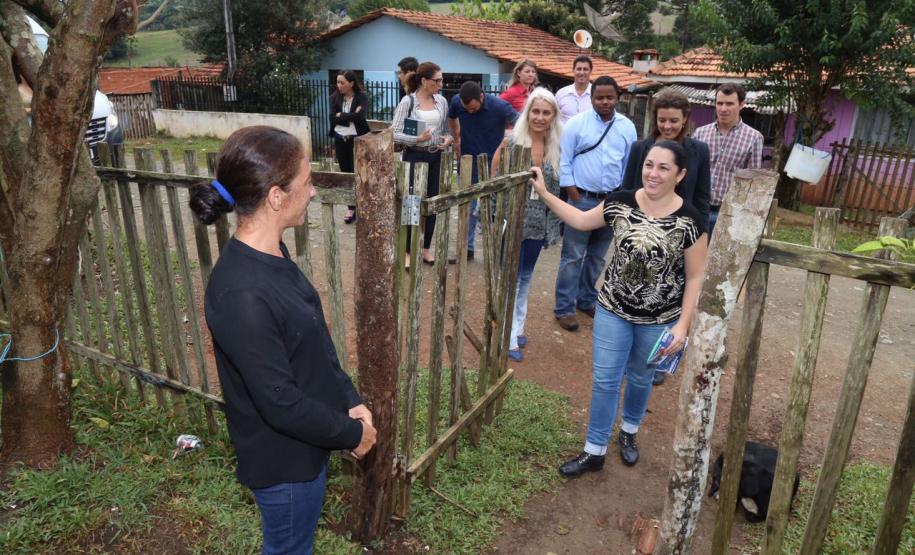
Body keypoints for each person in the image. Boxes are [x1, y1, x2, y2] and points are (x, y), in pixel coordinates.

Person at [190, 126, 377, 554]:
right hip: (284, 464)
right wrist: (352, 434)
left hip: (307, 445)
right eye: (307, 182)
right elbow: (280, 402)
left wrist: (348, 396)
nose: (311, 192)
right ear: (276, 196)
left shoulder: (273, 254)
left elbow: (313, 337)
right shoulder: (241, 293)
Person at [529, 140, 708, 475]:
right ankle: (594, 449)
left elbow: (696, 277)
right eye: (649, 165)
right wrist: (543, 192)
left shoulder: (691, 221)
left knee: (640, 378)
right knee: (605, 380)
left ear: (680, 174)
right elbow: (581, 221)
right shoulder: (621, 202)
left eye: (663, 168)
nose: (653, 174)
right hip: (612, 310)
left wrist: (683, 326)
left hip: (659, 319)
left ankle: (629, 432)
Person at [619, 87, 711, 385]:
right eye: (662, 120)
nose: (668, 127)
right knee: (637, 293)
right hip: (643, 238)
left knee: (673, 296)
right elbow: (627, 192)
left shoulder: (698, 151)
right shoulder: (640, 149)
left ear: (685, 119)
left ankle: (659, 360)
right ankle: (630, 357)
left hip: (682, 239)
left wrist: (697, 236)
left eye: (674, 121)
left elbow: (702, 198)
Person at [554, 75, 637, 333]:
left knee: (597, 257)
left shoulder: (627, 127)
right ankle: (564, 308)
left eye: (609, 97)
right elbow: (564, 161)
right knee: (572, 256)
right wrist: (573, 195)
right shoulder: (576, 125)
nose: (604, 102)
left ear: (617, 98)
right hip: (581, 199)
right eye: (599, 97)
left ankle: (586, 299)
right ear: (591, 98)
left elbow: (629, 166)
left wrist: (622, 198)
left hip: (611, 202)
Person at [489, 88, 563, 362]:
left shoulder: (555, 145)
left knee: (525, 279)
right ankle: (505, 335)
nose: (540, 117)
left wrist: (550, 228)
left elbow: (554, 191)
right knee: (508, 280)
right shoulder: (512, 142)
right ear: (527, 112)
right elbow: (496, 180)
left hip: (537, 226)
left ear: (553, 116)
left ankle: (517, 327)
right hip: (512, 222)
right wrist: (496, 219)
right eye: (536, 111)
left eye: (546, 112)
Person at [392, 61, 454, 266]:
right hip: (414, 157)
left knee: (432, 201)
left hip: (435, 156)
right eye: (437, 80)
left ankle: (426, 247)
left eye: (441, 80)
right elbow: (394, 133)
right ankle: (409, 249)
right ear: (424, 81)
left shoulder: (442, 102)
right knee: (412, 202)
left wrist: (447, 139)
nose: (441, 84)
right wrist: (416, 139)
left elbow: (446, 129)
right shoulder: (408, 102)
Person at [448, 81, 518, 260]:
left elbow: (521, 123)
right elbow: (452, 116)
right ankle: (466, 249)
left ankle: (495, 250)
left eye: (472, 108)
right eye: (467, 109)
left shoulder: (500, 107)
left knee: (494, 209)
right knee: (467, 208)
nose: (469, 112)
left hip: (493, 165)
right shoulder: (457, 101)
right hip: (468, 162)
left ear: (481, 97)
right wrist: (456, 137)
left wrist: (508, 142)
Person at [692, 82, 763, 236]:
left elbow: (753, 182)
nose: (723, 109)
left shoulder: (754, 138)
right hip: (697, 210)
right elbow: (691, 172)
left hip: (729, 214)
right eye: (720, 103)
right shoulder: (700, 133)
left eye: (730, 104)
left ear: (742, 104)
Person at [329, 70, 370, 224]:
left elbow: (360, 116)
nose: (339, 86)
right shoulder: (334, 98)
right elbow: (332, 118)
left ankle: (364, 206)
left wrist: (342, 116)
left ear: (351, 83)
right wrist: (348, 116)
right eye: (338, 82)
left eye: (342, 82)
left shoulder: (361, 97)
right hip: (340, 139)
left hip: (357, 140)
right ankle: (351, 207)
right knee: (345, 172)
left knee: (359, 172)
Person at [556, 55, 593, 124]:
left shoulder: (596, 94)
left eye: (585, 69)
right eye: (579, 69)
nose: (582, 73)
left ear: (590, 71)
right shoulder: (561, 93)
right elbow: (553, 117)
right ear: (573, 70)